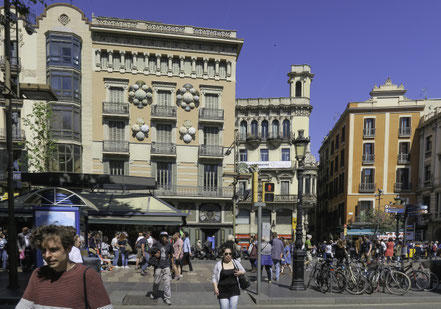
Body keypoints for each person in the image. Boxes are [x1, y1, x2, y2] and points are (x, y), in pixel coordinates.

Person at [16, 225, 112, 309]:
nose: (47, 255)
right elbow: (23, 306)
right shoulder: (38, 274)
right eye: (43, 250)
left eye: (53, 250)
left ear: (68, 248)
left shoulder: (88, 276)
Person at [148, 231, 174, 306]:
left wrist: (172, 265)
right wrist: (154, 254)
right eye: (162, 236)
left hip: (166, 266)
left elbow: (171, 255)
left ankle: (167, 298)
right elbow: (150, 251)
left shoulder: (169, 245)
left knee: (167, 283)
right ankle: (154, 293)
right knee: (156, 282)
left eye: (165, 236)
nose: (163, 237)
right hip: (158, 266)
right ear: (160, 237)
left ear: (167, 237)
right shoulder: (156, 243)